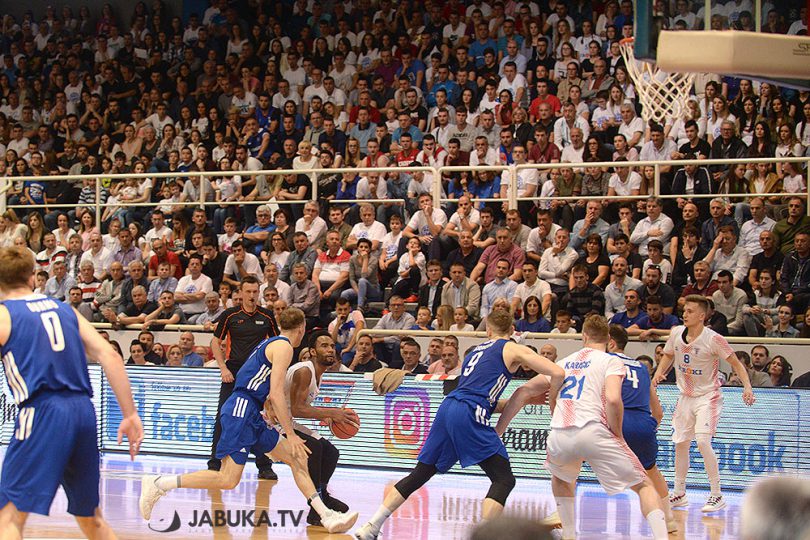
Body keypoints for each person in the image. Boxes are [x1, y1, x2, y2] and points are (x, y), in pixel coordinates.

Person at [139, 308, 359, 534]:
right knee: (227, 479)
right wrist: (291, 434)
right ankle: (160, 483)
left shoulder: (272, 343)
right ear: (302, 328)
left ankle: (325, 515)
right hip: (241, 409)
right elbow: (275, 392)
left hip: (251, 411)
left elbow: (259, 381)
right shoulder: (283, 346)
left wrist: (268, 406)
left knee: (297, 458)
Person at [354, 310, 564, 540]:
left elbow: (481, 399)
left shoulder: (476, 351)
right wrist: (553, 399)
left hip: (449, 407)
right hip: (469, 411)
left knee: (421, 473)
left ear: (488, 330)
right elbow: (557, 371)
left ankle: (371, 526)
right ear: (512, 330)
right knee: (503, 479)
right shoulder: (512, 348)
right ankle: (486, 537)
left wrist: (524, 400)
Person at [0, 246, 143, 537]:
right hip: (83, 412)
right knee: (91, 519)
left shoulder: (5, 314)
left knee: (8, 518)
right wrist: (130, 414)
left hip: (42, 411)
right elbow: (110, 355)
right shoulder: (65, 309)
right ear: (32, 277)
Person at [531, 315, 670, 540]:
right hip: (605, 426)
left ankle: (568, 533)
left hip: (562, 430)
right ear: (608, 339)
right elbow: (616, 400)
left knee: (562, 478)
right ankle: (665, 529)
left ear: (584, 336)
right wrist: (618, 433)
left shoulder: (564, 362)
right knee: (645, 482)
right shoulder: (621, 362)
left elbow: (529, 390)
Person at [653, 295, 755, 513]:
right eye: (684, 310)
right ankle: (679, 493)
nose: (685, 314)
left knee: (701, 441)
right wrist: (658, 375)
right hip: (685, 396)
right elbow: (668, 355)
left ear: (701, 316)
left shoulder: (714, 339)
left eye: (690, 311)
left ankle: (717, 494)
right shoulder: (676, 333)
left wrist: (747, 386)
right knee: (680, 443)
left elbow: (736, 363)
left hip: (708, 396)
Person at [277, 332, 357, 525]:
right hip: (273, 421)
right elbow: (297, 409)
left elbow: (298, 408)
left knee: (331, 452)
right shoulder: (305, 371)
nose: (330, 350)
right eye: (324, 346)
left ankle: (323, 496)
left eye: (332, 346)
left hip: (287, 420)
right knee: (315, 448)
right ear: (312, 351)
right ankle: (317, 508)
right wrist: (331, 413)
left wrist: (325, 415)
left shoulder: (317, 373)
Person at [207, 276, 279, 479]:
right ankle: (214, 462)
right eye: (248, 291)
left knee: (260, 419)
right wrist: (223, 368)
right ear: (240, 293)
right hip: (233, 372)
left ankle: (264, 466)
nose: (252, 295)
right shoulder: (230, 315)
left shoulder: (267, 316)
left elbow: (277, 344)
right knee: (223, 416)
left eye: (255, 291)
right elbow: (215, 342)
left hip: (257, 375)